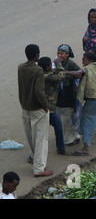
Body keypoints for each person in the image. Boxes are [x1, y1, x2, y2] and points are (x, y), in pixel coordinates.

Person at [18, 44, 53, 177]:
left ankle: (33, 158)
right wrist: (45, 105)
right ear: (37, 55)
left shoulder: (20, 67)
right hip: (38, 108)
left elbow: (21, 86)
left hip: (25, 106)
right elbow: (39, 91)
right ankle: (39, 168)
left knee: (30, 136)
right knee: (41, 139)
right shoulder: (38, 70)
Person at [38, 56, 68, 155]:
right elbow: (61, 76)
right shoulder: (47, 77)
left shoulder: (42, 74)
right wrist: (59, 64)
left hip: (45, 107)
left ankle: (61, 148)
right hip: (48, 108)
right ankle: (60, 148)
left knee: (43, 132)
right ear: (47, 67)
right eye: (50, 65)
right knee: (54, 127)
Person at [54, 44, 83, 147]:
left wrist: (65, 73)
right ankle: (74, 136)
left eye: (62, 53)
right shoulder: (56, 63)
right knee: (65, 117)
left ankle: (69, 139)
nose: (59, 55)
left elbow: (80, 72)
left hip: (68, 95)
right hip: (60, 95)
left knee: (66, 118)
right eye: (58, 53)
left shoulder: (70, 63)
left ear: (67, 54)